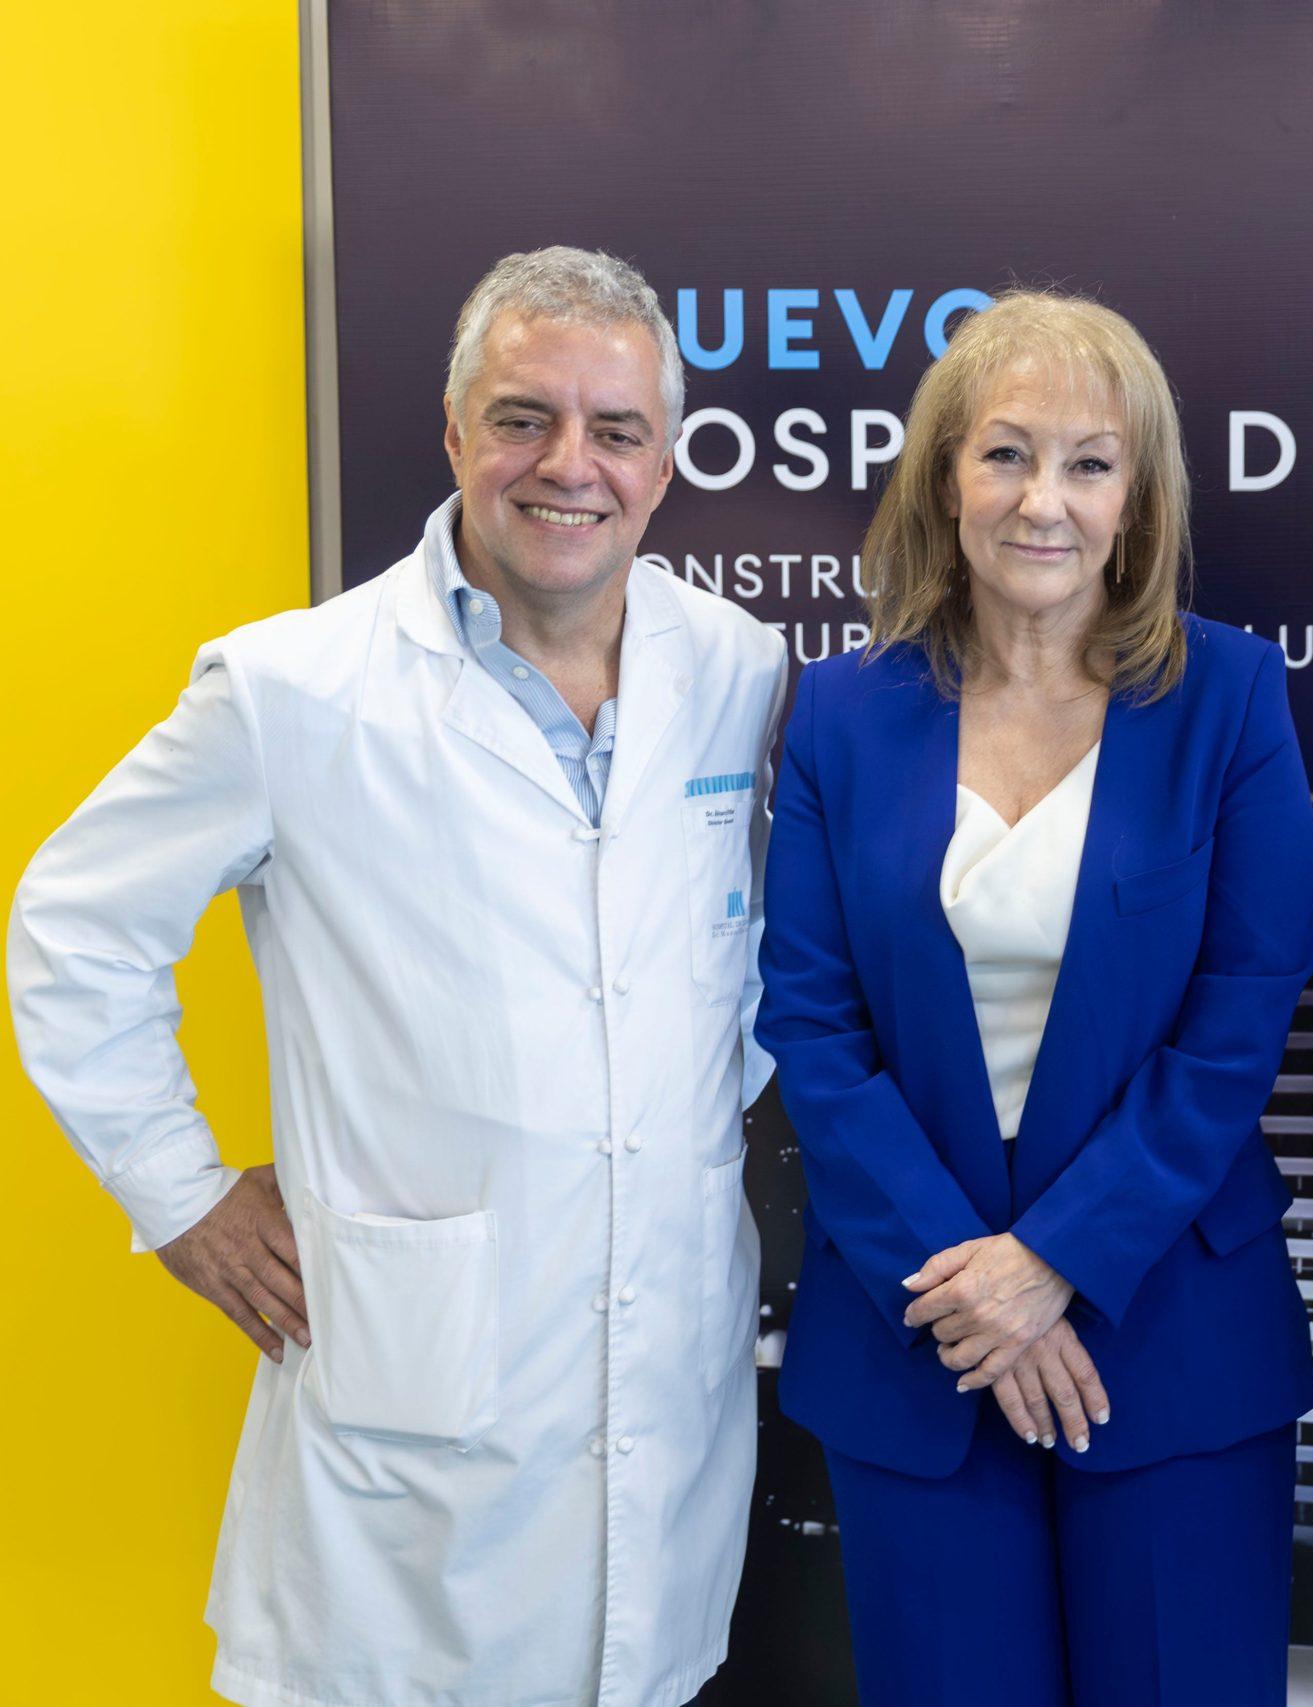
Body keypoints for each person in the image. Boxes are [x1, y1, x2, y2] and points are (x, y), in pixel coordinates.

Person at [8, 247, 787, 1705]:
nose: (571, 466)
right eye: (521, 418)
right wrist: (178, 1195)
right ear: (450, 434)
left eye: (615, 430)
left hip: (663, 1419)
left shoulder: (733, 668)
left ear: (667, 462)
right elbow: (71, 927)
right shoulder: (296, 689)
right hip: (405, 1462)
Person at [755, 289, 1313, 1707]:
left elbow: (1241, 1018)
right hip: (913, 1340)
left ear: (1139, 497)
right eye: (1005, 454)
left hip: (1172, 1341)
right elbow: (813, 1027)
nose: (1042, 501)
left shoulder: (1231, 696)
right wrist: (971, 1286)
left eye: (1088, 462)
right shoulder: (839, 711)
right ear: (945, 478)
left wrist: (1052, 1260)